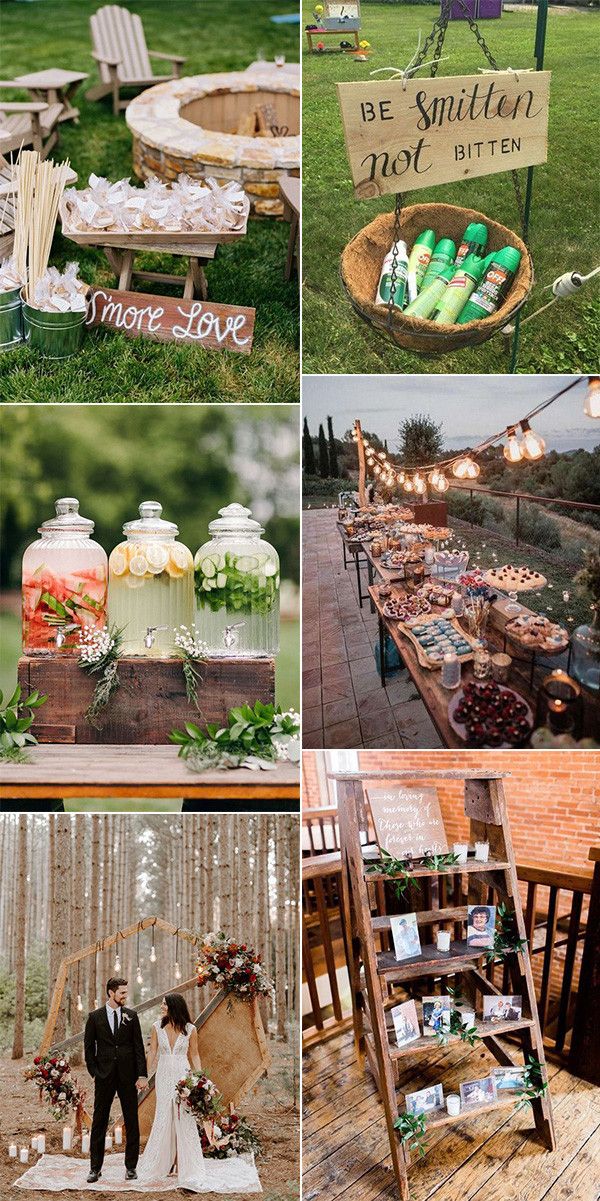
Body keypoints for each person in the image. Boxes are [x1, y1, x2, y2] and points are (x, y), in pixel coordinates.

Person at [137, 993, 260, 1194]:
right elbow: (152, 1053)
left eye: (164, 1004)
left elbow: (194, 1054)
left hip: (183, 1075)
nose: (161, 1007)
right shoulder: (156, 1026)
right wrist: (143, 1075)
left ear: (174, 1007)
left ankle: (185, 1165)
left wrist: (200, 1078)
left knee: (184, 1117)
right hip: (164, 1074)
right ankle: (162, 1162)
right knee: (163, 1115)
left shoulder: (190, 1029)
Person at [84, 977, 148, 1183]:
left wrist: (141, 1074)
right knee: (99, 1121)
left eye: (125, 993)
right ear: (111, 993)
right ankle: (95, 1168)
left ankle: (131, 1167)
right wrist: (95, 1072)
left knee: (131, 1119)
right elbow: (88, 1049)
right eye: (122, 992)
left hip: (127, 1076)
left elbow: (138, 1047)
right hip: (104, 1076)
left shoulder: (131, 1015)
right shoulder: (94, 1017)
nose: (125, 996)